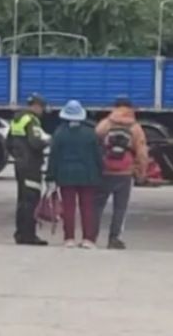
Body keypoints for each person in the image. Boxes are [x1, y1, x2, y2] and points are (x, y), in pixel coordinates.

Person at [94, 97, 149, 250]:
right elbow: (142, 153)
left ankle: (91, 236)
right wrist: (141, 172)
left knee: (97, 206)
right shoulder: (135, 127)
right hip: (125, 172)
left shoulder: (105, 124)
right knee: (120, 208)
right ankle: (114, 239)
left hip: (105, 170)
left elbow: (94, 144)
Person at [46, 100, 103, 248]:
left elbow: (54, 158)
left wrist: (50, 177)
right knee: (88, 207)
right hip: (88, 176)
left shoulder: (59, 133)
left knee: (68, 208)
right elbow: (98, 156)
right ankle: (88, 239)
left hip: (66, 176)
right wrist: (101, 173)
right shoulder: (90, 133)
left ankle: (69, 238)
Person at [8, 93, 49, 246]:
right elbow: (36, 142)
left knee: (22, 200)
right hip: (31, 165)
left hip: (20, 164)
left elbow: (8, 142)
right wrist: (48, 141)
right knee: (31, 200)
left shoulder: (17, 119)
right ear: (36, 106)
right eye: (42, 108)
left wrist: (18, 155)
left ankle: (20, 233)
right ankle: (29, 235)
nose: (42, 111)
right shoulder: (32, 120)